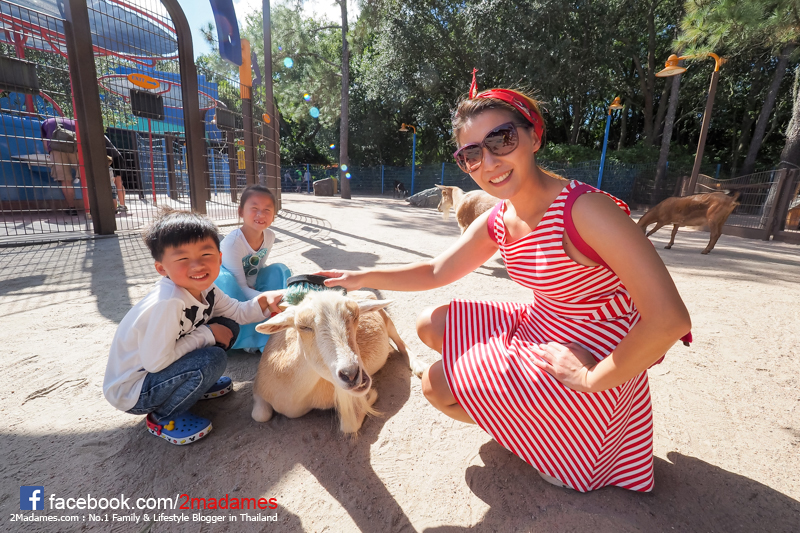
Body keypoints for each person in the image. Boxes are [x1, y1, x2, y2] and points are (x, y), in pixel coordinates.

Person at [316, 81, 691, 492]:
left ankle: (559, 440)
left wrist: (591, 378)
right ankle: (527, 421)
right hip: (544, 322)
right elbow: (437, 271)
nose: (489, 162)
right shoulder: (501, 216)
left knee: (435, 385)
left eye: (501, 139)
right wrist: (360, 278)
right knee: (430, 323)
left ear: (534, 136)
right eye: (471, 154)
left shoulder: (585, 210)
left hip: (590, 348)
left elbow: (669, 319)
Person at [103, 208, 283, 445]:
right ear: (162, 268)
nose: (197, 265)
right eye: (182, 259)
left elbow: (237, 312)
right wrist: (208, 333)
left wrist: (264, 302)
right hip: (135, 390)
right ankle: (162, 417)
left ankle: (194, 384)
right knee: (211, 359)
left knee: (228, 326)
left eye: (206, 254)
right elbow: (156, 362)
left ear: (219, 258)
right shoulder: (168, 303)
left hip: (158, 372)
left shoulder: (206, 288)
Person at [216, 185, 291, 352]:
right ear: (241, 212)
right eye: (254, 208)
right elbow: (239, 287)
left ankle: (275, 327)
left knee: (279, 270)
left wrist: (261, 290)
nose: (261, 215)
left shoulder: (269, 236)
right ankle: (248, 339)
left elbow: (258, 267)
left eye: (267, 210)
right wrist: (268, 298)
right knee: (227, 281)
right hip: (230, 290)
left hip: (248, 285)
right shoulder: (233, 243)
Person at [40, 117, 78, 216]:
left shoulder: (46, 122)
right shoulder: (74, 122)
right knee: (86, 178)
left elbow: (46, 144)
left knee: (66, 180)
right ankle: (91, 208)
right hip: (76, 149)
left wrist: (50, 153)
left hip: (57, 151)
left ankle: (72, 208)